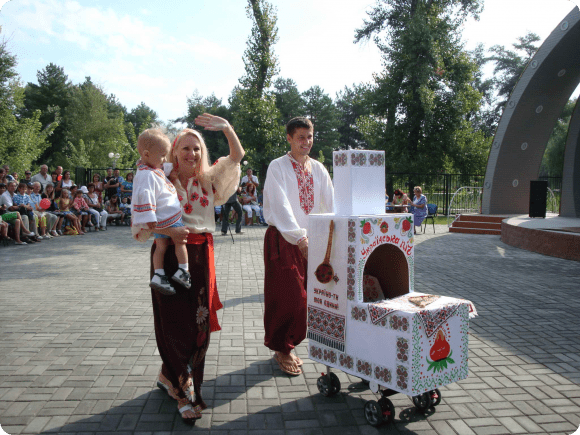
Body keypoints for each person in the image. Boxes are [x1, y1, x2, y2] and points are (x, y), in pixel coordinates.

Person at [145, 114, 243, 423]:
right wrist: (166, 230)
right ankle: (184, 391)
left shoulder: (208, 180)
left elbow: (236, 157)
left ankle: (169, 375)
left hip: (200, 258)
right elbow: (142, 210)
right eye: (185, 148)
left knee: (198, 326)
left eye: (197, 148)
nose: (192, 154)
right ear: (174, 152)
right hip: (169, 255)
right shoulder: (160, 178)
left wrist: (226, 128)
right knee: (174, 322)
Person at [262, 116, 334, 376]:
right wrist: (299, 237)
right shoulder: (278, 166)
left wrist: (335, 235)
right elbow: (280, 205)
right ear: (289, 138)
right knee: (290, 297)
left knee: (309, 297)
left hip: (311, 240)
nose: (306, 142)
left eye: (310, 136)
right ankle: (282, 348)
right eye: (301, 137)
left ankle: (290, 343)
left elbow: (330, 204)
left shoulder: (319, 169)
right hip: (284, 239)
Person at [131, 129, 192, 294]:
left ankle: (158, 274)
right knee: (180, 241)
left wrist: (170, 172)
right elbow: (145, 196)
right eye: (163, 155)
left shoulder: (150, 170)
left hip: (160, 218)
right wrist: (149, 217)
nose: (165, 159)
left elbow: (160, 174)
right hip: (168, 217)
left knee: (161, 246)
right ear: (146, 154)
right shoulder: (147, 176)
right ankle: (183, 271)